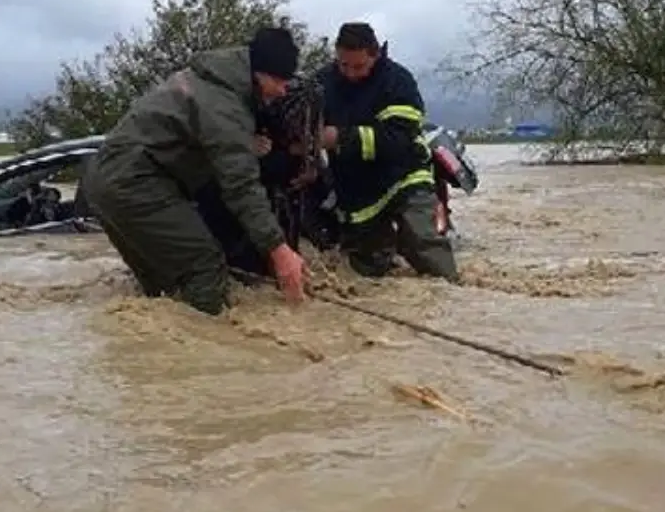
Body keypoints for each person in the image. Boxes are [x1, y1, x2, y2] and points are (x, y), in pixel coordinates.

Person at [80, 27, 309, 315]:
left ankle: (157, 355)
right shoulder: (225, 104)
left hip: (106, 181)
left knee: (162, 288)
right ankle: (216, 352)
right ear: (259, 73)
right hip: (135, 182)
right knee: (205, 268)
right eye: (279, 80)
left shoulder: (212, 81)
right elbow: (241, 187)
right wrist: (280, 251)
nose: (283, 89)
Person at [316, 22, 459, 280]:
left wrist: (340, 137)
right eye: (343, 65)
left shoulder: (398, 82)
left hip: (404, 177)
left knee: (422, 242)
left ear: (376, 55)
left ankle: (454, 294)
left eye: (358, 66)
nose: (349, 73)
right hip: (358, 194)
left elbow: (398, 140)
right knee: (368, 270)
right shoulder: (322, 83)